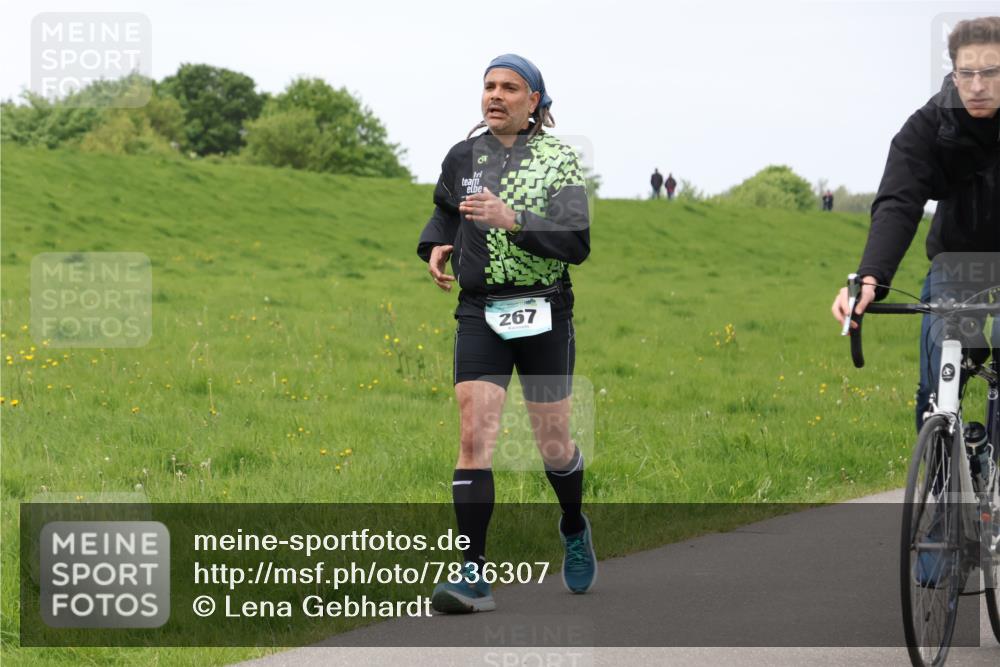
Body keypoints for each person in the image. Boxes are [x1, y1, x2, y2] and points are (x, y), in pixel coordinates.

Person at [417, 53, 596, 613]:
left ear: (534, 102)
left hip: (543, 311)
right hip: (480, 312)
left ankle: (572, 525)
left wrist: (513, 221)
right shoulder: (462, 155)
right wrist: (436, 244)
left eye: (510, 88)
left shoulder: (559, 161)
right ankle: (473, 576)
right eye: (489, 86)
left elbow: (577, 244)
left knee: (553, 443)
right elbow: (447, 210)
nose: (495, 95)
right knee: (474, 438)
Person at [832, 16, 1000, 434]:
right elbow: (898, 201)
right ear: (954, 73)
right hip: (957, 261)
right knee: (935, 380)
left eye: (991, 72)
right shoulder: (929, 126)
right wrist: (871, 277)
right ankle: (942, 478)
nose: (977, 85)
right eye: (967, 73)